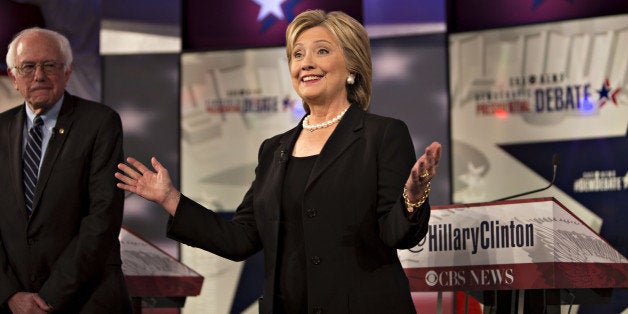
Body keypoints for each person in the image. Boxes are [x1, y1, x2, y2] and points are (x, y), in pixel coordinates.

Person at [116, 9, 442, 314]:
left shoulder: (381, 135)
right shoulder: (274, 150)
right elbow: (240, 239)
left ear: (352, 67)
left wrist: (412, 199)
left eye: (322, 51)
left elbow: (396, 234)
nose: (306, 63)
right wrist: (170, 198)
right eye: (297, 54)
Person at [0, 27, 132, 313]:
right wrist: (9, 294)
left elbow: (102, 217)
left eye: (49, 65)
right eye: (28, 67)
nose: (39, 75)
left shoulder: (100, 124)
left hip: (86, 299)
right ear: (13, 77)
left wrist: (47, 299)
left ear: (68, 71)